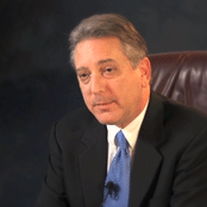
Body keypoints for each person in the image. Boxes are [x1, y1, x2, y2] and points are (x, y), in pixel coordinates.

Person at [36, 13, 207, 207]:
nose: (95, 89)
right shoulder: (67, 135)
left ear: (143, 72)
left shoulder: (196, 136)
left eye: (108, 70)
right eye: (84, 75)